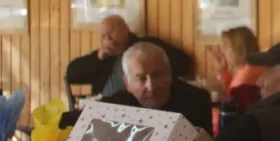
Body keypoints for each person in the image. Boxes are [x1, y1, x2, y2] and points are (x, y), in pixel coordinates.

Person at [60, 42, 212, 135]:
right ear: (127, 84)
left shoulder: (197, 100)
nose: (151, 86)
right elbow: (67, 121)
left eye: (157, 75)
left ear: (170, 74)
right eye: (141, 78)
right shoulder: (115, 106)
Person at [64, 15, 194, 105]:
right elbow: (71, 74)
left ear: (125, 29)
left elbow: (184, 63)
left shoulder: (147, 47)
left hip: (141, 104)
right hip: (107, 107)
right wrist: (96, 58)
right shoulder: (103, 57)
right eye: (103, 36)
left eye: (111, 32)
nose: (108, 39)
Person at [211, 26, 262, 115]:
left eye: (226, 46)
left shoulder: (248, 74)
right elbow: (235, 93)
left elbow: (234, 99)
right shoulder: (251, 67)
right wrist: (223, 71)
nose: (223, 51)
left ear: (238, 49)